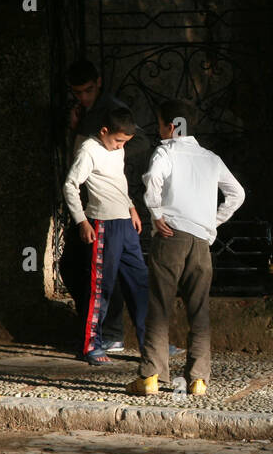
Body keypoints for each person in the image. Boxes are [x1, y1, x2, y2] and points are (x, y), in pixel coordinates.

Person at [129, 100, 245, 396]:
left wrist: (155, 213)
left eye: (159, 124)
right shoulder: (210, 158)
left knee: (159, 306)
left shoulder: (165, 151)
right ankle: (198, 380)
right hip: (200, 241)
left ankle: (151, 376)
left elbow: (152, 179)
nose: (159, 130)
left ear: (171, 126)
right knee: (199, 309)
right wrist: (212, 222)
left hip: (170, 236)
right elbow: (237, 194)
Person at [63, 105, 149, 365]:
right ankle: (92, 345)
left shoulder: (118, 150)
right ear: (104, 131)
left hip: (125, 223)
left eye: (125, 142)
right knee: (102, 287)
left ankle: (152, 344)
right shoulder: (89, 150)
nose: (121, 146)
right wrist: (81, 221)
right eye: (118, 140)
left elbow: (118, 180)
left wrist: (131, 206)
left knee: (140, 282)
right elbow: (70, 185)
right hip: (103, 225)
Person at [60, 59, 131, 351]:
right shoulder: (84, 111)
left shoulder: (112, 111)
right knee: (75, 265)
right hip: (86, 202)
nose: (84, 97)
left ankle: (109, 331)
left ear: (99, 82)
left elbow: (130, 147)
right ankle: (96, 327)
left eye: (88, 91)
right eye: (78, 93)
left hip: (103, 204)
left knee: (103, 268)